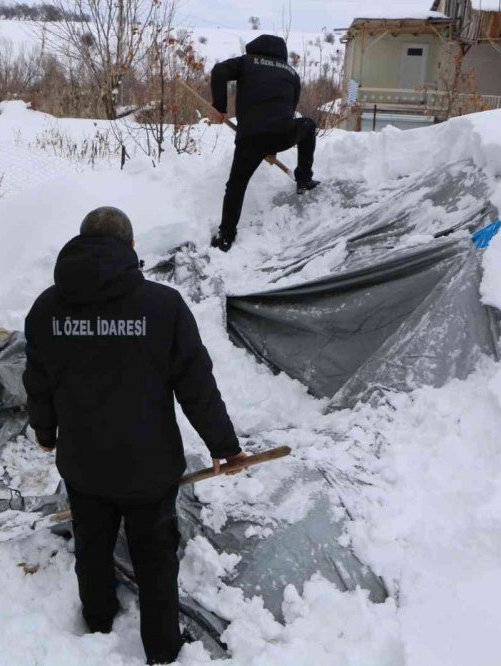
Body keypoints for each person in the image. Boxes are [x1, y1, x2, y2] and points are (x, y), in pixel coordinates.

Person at [22, 207, 246, 665]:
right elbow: (195, 384)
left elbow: (38, 380)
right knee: (155, 559)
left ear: (81, 242)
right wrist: (224, 446)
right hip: (149, 467)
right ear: (131, 248)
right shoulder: (163, 307)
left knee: (92, 546)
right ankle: (162, 650)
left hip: (83, 463)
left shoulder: (47, 309)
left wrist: (46, 433)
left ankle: (99, 621)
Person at [208, 34, 321, 252]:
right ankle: (304, 179)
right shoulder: (291, 73)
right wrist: (274, 144)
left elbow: (219, 71)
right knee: (308, 125)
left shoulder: (246, 62)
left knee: (236, 185)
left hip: (251, 138)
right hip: (283, 133)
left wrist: (220, 107)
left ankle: (226, 236)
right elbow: (289, 106)